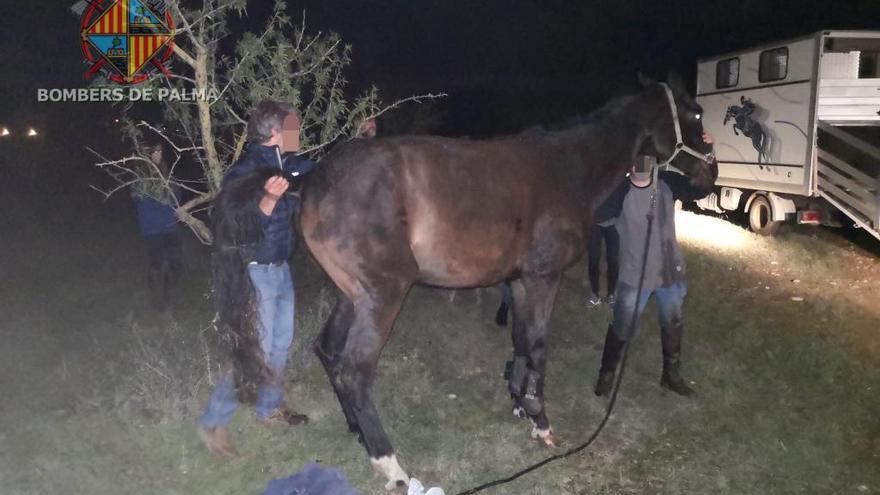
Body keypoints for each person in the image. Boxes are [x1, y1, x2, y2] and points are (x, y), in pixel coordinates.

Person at [198, 100, 316, 458]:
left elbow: (321, 171)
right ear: (275, 131)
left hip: (280, 269)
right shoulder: (245, 171)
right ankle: (213, 422)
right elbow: (234, 226)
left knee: (280, 344)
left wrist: (358, 143)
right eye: (292, 126)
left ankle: (268, 408)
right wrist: (267, 199)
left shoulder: (287, 164)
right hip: (254, 272)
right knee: (256, 351)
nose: (297, 132)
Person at [594, 133, 716, 398]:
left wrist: (708, 152)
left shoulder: (668, 184)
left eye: (648, 160)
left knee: (672, 322)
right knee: (622, 326)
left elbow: (702, 187)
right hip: (636, 276)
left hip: (670, 272)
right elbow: (597, 214)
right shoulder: (619, 194)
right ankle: (607, 373)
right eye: (637, 160)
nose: (643, 166)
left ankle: (670, 376)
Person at [131, 137, 183, 312]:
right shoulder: (142, 174)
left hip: (169, 225)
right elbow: (141, 200)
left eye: (160, 151)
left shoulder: (166, 171)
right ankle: (156, 302)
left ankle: (169, 297)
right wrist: (160, 200)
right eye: (154, 151)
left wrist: (175, 203)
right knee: (157, 264)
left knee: (175, 262)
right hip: (152, 227)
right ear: (148, 153)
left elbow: (176, 195)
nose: (158, 155)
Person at [585, 211, 620, 308]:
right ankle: (595, 295)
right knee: (593, 259)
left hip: (614, 223)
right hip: (594, 223)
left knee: (613, 260)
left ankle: (611, 295)